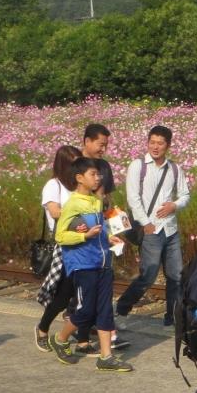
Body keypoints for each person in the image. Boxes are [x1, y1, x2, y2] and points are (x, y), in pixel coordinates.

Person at [48, 157, 132, 372]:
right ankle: (60, 338)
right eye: (93, 174)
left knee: (105, 310)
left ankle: (106, 357)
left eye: (98, 174)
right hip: (83, 264)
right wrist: (84, 237)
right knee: (86, 311)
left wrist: (109, 238)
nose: (98, 178)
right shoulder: (73, 204)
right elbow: (60, 236)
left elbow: (100, 230)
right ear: (79, 178)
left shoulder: (96, 202)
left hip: (103, 263)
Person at [117, 125, 190, 326]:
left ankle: (172, 317)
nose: (155, 147)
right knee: (148, 275)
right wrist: (146, 223)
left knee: (176, 275)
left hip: (170, 229)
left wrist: (174, 205)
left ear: (168, 145)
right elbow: (133, 198)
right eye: (152, 142)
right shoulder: (138, 166)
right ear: (148, 143)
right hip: (150, 229)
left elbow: (185, 194)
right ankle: (122, 308)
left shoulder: (174, 169)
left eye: (160, 143)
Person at [34, 145, 95, 355]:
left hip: (85, 245)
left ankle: (83, 340)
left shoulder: (79, 186)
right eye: (74, 164)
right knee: (63, 296)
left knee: (84, 295)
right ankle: (42, 328)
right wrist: (80, 217)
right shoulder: (54, 185)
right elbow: (55, 212)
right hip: (67, 247)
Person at [79, 123, 128, 351]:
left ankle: (106, 333)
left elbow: (107, 199)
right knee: (82, 287)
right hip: (82, 231)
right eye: (100, 144)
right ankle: (76, 333)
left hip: (102, 230)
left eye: (106, 145)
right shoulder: (76, 166)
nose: (103, 149)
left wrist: (117, 224)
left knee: (103, 282)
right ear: (87, 141)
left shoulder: (105, 166)